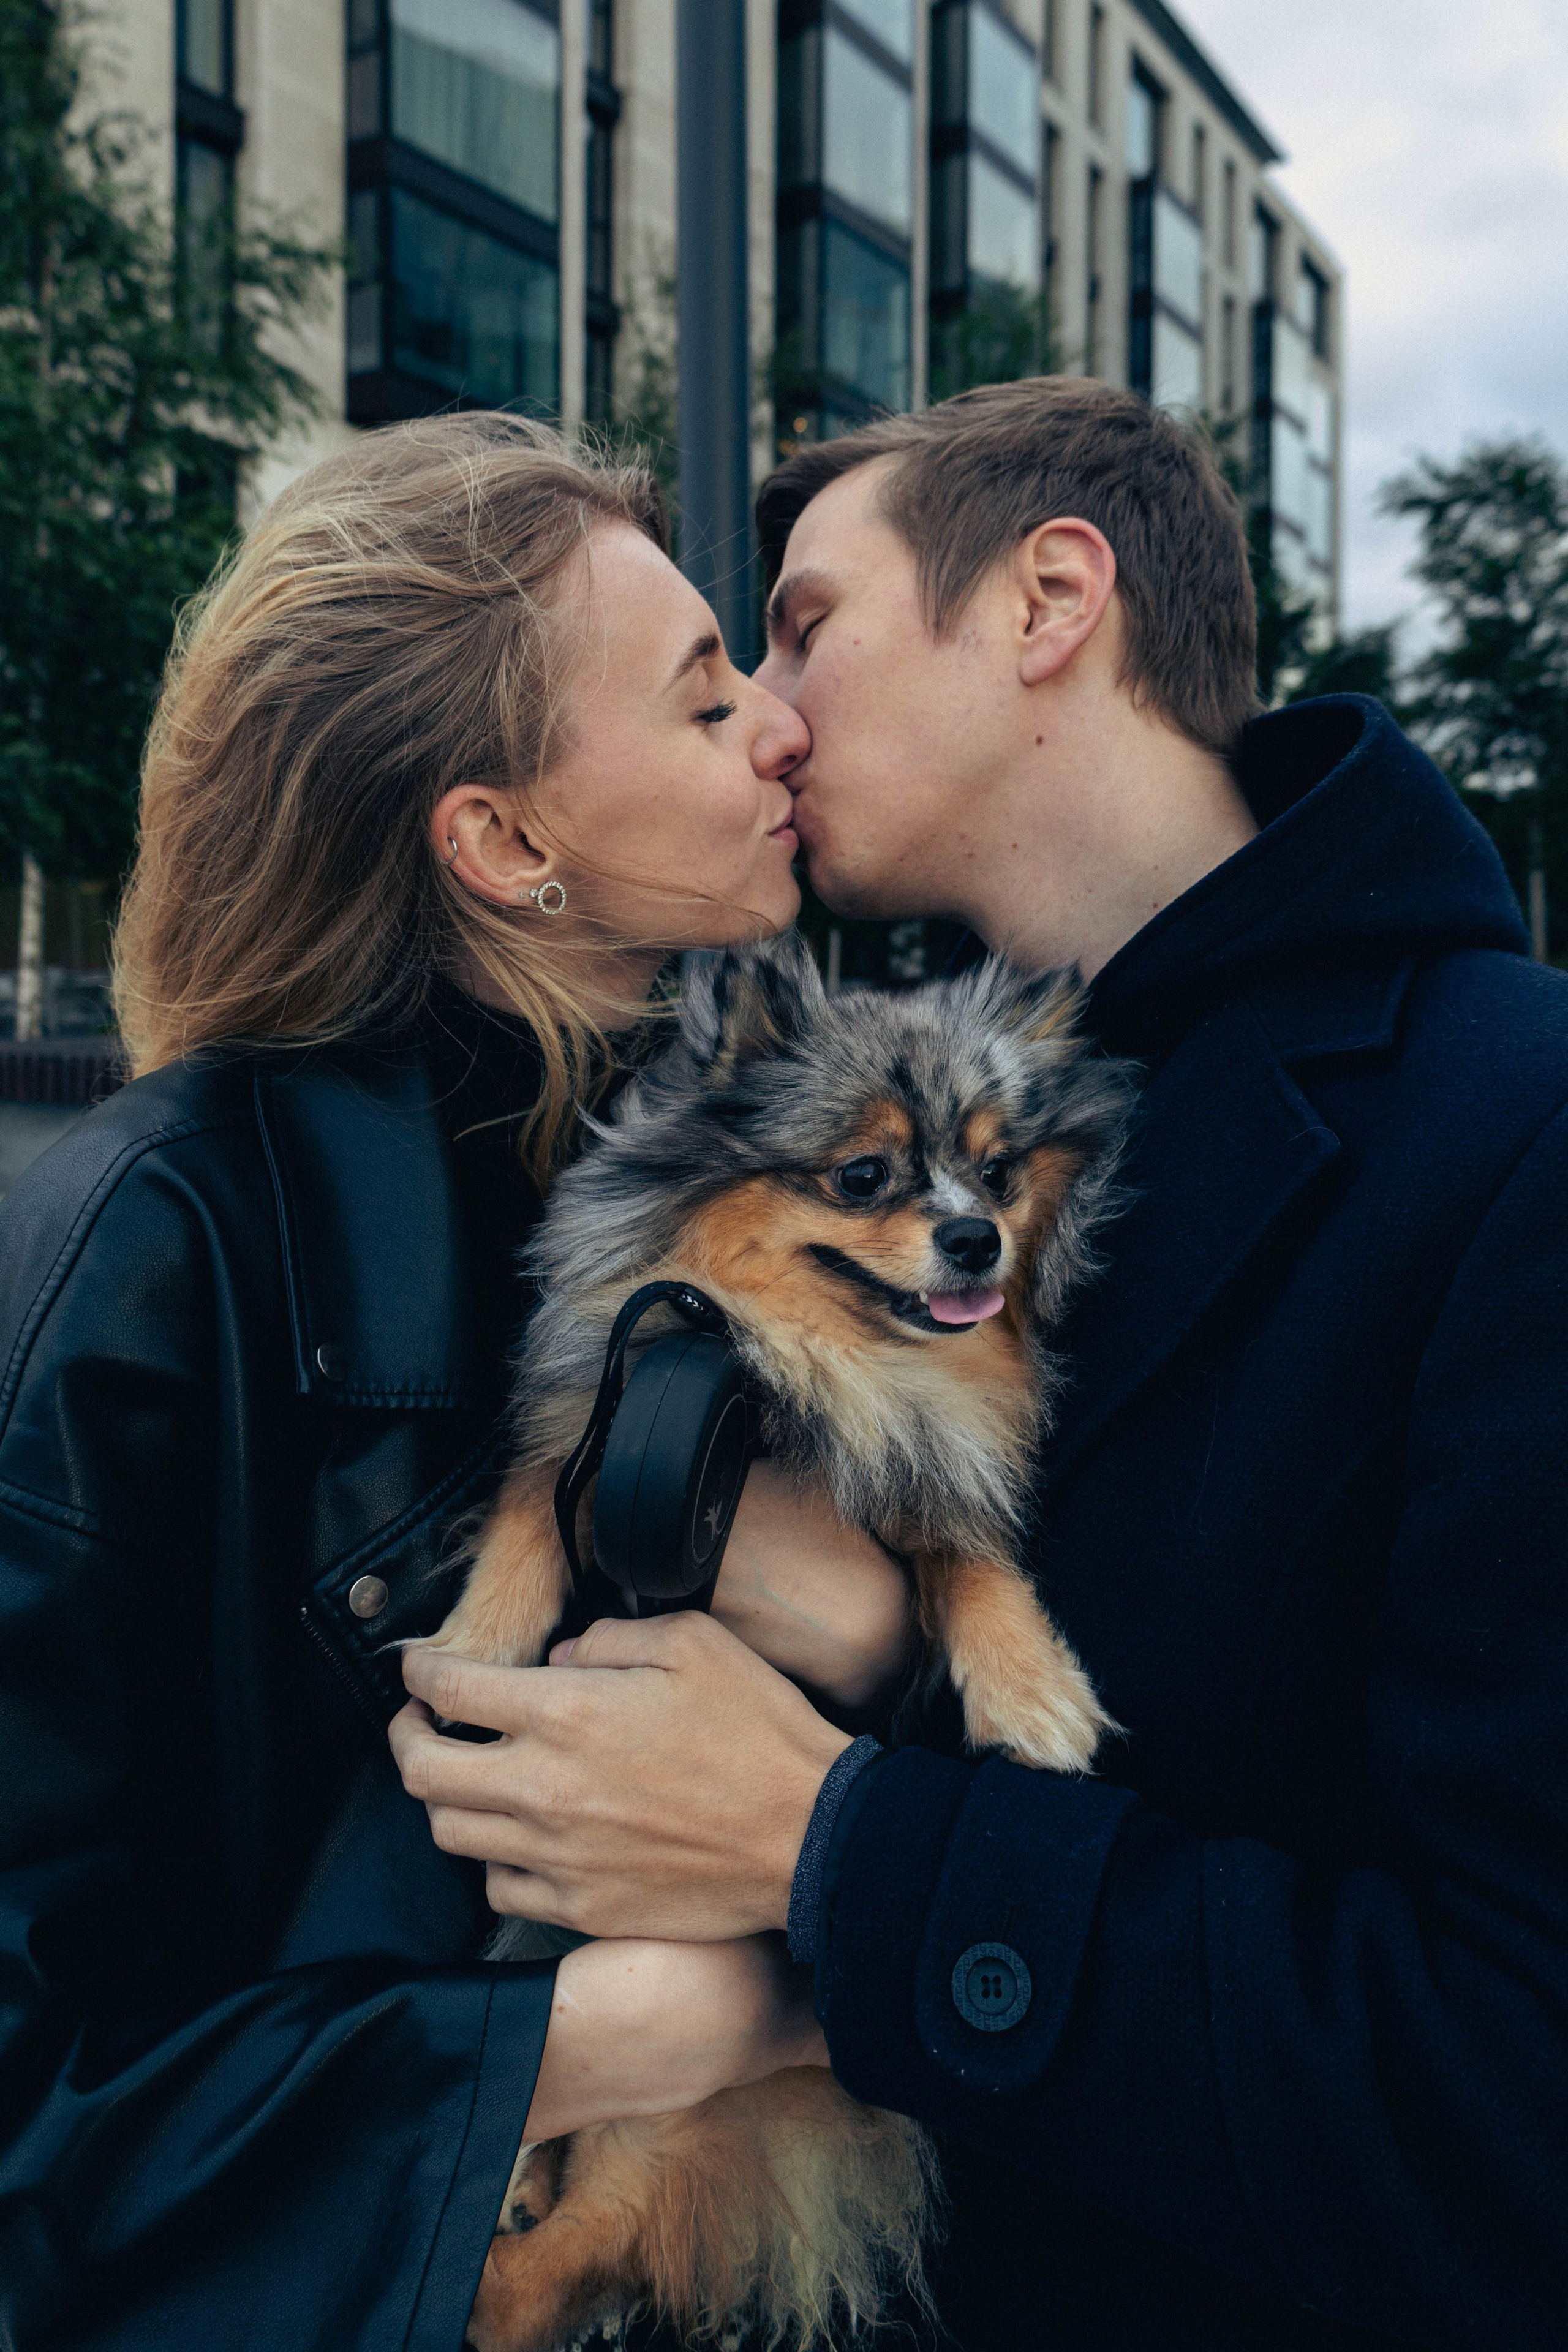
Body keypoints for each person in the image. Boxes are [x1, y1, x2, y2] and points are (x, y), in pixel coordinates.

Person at [393, 380, 1568, 2351]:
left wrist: (839, 1845)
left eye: (805, 625)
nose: (764, 711)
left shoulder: (1515, 1136)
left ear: (1048, 600)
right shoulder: (837, 1094)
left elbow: (1514, 2106)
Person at [0, 411, 917, 2350]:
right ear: (504, 842)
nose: (781, 724)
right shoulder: (143, 1263)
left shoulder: (743, 1181)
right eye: (698, 700)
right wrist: (596, 2038)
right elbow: (31, 2116)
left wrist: (880, 1631)